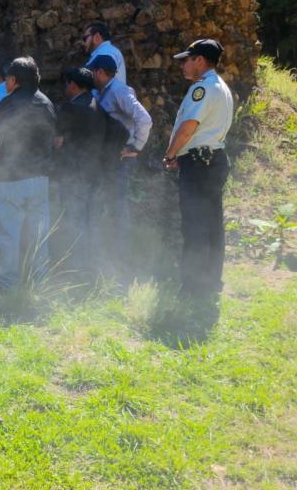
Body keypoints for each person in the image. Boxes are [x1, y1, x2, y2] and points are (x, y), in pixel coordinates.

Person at [163, 39, 234, 298]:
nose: (183, 64)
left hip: (199, 164)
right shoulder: (221, 86)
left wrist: (171, 154)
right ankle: (211, 280)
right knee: (213, 224)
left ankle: (192, 286)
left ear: (200, 60)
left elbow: (188, 127)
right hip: (213, 160)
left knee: (194, 225)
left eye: (187, 59)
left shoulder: (202, 89)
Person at [0, 57, 57, 290]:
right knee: (38, 236)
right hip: (39, 180)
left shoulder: (8, 104)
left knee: (7, 236)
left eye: (7, 78)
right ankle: (39, 285)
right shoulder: (46, 103)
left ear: (13, 80)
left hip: (9, 180)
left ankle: (7, 287)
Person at [86, 54, 153, 247]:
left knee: (117, 205)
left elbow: (144, 119)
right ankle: (109, 248)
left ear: (99, 72)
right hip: (109, 157)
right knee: (108, 203)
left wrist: (136, 147)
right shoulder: (102, 91)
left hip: (120, 160)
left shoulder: (119, 91)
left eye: (92, 72)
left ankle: (121, 253)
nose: (90, 75)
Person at [53, 67, 106, 274]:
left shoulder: (69, 109)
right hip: (94, 173)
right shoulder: (99, 107)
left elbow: (57, 142)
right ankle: (93, 267)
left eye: (67, 84)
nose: (65, 88)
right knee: (91, 222)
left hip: (73, 173)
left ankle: (76, 270)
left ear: (73, 85)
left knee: (74, 220)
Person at [82, 22, 126, 86]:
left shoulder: (106, 52)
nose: (83, 43)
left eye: (85, 38)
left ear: (96, 37)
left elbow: (91, 76)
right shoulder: (106, 51)